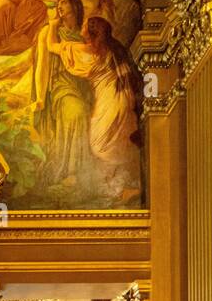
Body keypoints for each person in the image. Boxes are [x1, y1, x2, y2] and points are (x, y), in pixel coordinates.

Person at [46, 12, 142, 200]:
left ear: (91, 32)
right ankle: (121, 186)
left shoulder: (87, 51)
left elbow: (51, 46)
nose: (81, 27)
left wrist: (52, 25)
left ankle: (118, 187)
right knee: (119, 140)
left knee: (100, 144)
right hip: (124, 100)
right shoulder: (115, 49)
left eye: (85, 26)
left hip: (110, 101)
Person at [31, 0, 93, 190]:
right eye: (58, 3)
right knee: (76, 112)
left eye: (64, 2)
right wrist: (40, 96)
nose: (60, 6)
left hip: (83, 87)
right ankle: (70, 170)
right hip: (60, 86)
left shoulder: (85, 34)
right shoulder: (48, 33)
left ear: (75, 6)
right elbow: (43, 65)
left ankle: (79, 173)